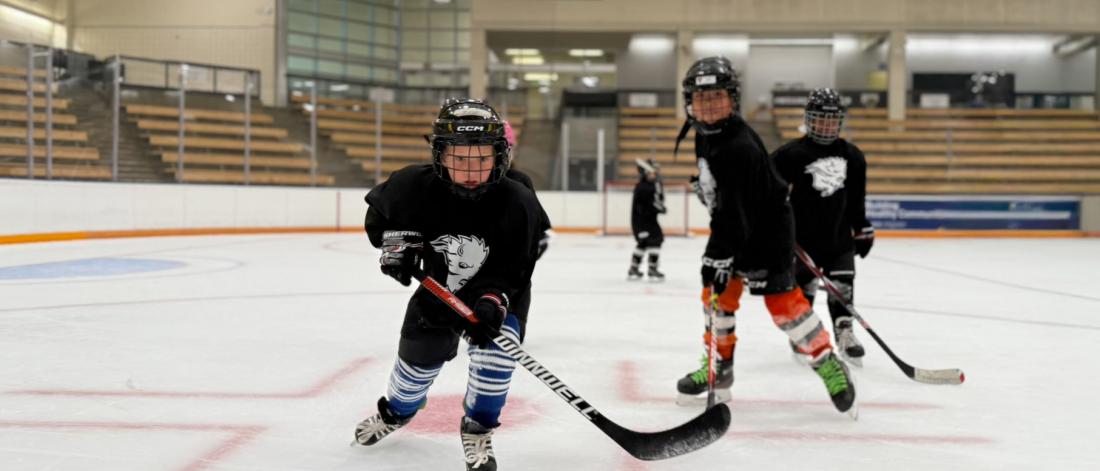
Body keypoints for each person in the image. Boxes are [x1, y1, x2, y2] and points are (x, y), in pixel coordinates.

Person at [354, 99, 548, 471]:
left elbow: (518, 267)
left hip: (498, 296)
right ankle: (397, 411)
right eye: (459, 159)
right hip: (438, 291)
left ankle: (478, 430)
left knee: (496, 359)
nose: (470, 170)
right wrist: (398, 246)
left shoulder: (518, 201)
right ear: (440, 156)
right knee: (412, 374)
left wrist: (494, 300)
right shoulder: (412, 185)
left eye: (482, 158)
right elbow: (379, 218)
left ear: (501, 157)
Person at [672, 57, 856, 416]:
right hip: (738, 228)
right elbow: (729, 201)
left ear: (733, 99)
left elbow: (735, 213)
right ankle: (718, 370)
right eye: (701, 97)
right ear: (690, 101)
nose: (708, 106)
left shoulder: (737, 146)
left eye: (717, 97)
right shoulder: (706, 135)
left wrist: (717, 256)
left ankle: (828, 362)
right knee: (717, 296)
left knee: (784, 308)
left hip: (766, 237)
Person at [772, 88, 873, 366]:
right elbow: (769, 193)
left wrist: (862, 227)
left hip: (838, 237)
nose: (827, 125)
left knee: (842, 286)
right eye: (820, 119)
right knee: (803, 291)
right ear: (809, 119)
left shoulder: (853, 156)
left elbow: (856, 199)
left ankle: (845, 332)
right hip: (801, 240)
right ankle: (803, 333)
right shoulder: (790, 154)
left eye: (832, 120)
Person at [627, 158, 666, 281]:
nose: (655, 175)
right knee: (655, 240)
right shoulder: (645, 187)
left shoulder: (646, 185)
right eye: (652, 173)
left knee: (645, 243)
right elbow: (652, 204)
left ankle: (634, 269)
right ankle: (651, 269)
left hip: (645, 221)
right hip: (643, 222)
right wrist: (660, 208)